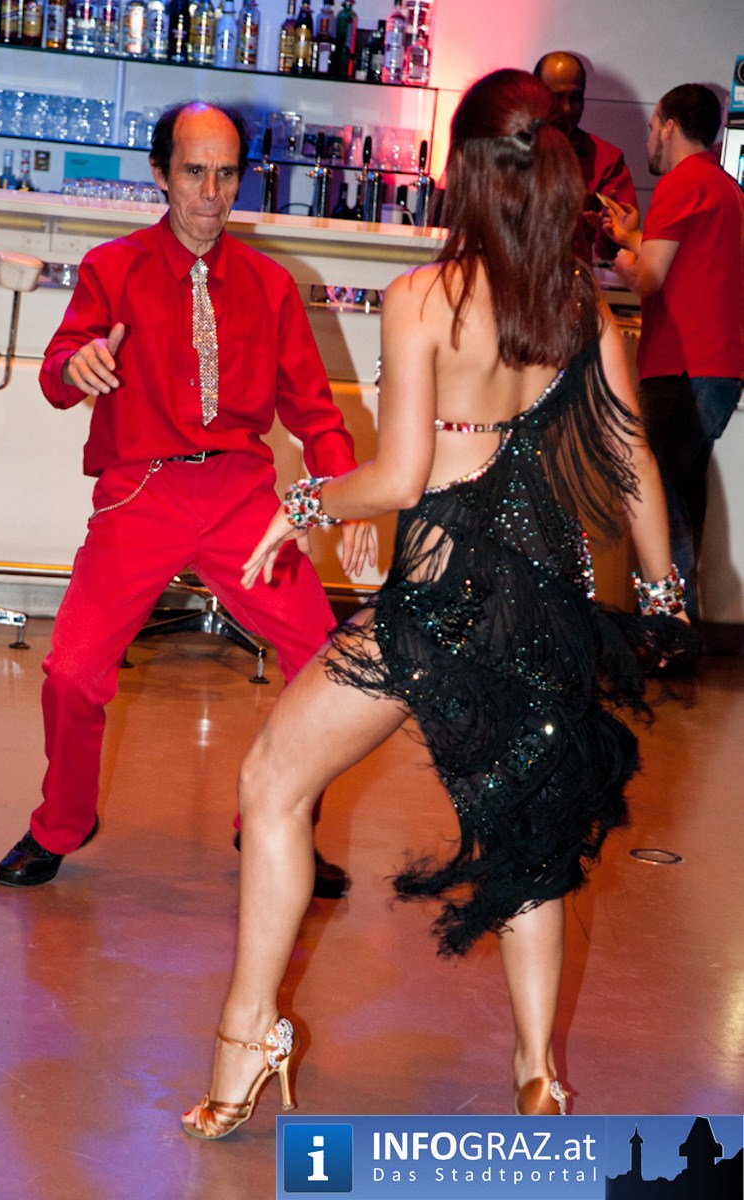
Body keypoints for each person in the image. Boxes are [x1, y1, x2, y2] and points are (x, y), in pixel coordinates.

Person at [181, 68, 696, 1138]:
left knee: (272, 783)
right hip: (540, 608)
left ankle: (246, 1039)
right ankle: (537, 1078)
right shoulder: (578, 307)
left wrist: (302, 502)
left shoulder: (423, 299)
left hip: (436, 606)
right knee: (526, 843)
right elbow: (631, 458)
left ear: (460, 171)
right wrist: (662, 599)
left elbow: (400, 477)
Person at [0, 101, 375, 898]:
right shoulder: (113, 269)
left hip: (239, 493)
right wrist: (75, 366)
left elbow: (314, 413)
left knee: (326, 662)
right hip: (142, 489)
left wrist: (344, 499)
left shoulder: (271, 285)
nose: (210, 192)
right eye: (194, 172)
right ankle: (60, 823)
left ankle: (275, 818)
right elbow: (58, 370)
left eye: (226, 174)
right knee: (71, 672)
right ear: (160, 175)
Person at [601, 83, 744, 620]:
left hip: (680, 365)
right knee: (684, 500)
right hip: (719, 365)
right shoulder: (724, 187)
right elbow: (686, 263)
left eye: (651, 127)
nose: (648, 140)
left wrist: (623, 264)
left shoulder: (680, 183)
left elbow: (651, 278)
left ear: (668, 126)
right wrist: (633, 238)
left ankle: (669, 632)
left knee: (663, 505)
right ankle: (681, 626)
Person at [534, 50, 639, 262]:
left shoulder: (606, 158)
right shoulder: (506, 149)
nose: (566, 109)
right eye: (557, 98)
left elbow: (615, 251)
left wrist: (609, 233)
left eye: (575, 98)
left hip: (571, 277)